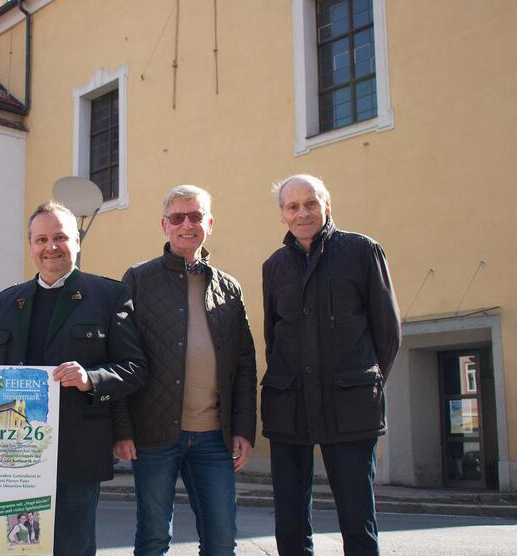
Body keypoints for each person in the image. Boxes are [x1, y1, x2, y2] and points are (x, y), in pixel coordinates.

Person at [0, 201, 147, 556]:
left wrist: (90, 379)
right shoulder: (5, 302)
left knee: (73, 547)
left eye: (60, 237)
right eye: (41, 239)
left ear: (77, 242)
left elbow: (135, 368)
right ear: (30, 244)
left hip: (77, 449)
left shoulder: (109, 295)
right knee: (16, 546)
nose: (50, 247)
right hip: (13, 454)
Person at [112, 185, 257, 555]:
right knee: (154, 538)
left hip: (214, 437)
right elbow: (120, 357)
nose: (187, 224)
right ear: (164, 225)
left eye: (195, 216)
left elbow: (243, 364)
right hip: (154, 435)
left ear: (209, 223)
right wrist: (123, 429)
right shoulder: (138, 280)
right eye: (178, 217)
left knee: (222, 541)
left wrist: (243, 428)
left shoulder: (229, 288)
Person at [261, 174, 400, 556]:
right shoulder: (274, 267)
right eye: (293, 206)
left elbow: (387, 333)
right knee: (289, 520)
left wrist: (363, 381)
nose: (303, 212)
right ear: (283, 215)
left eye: (311, 203)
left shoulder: (361, 250)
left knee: (357, 519)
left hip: (350, 404)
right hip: (290, 405)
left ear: (327, 205)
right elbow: (275, 338)